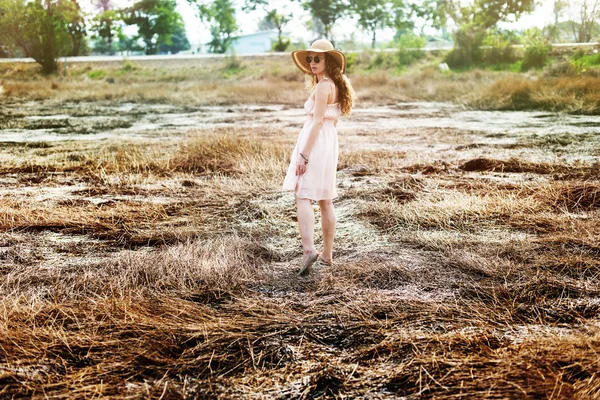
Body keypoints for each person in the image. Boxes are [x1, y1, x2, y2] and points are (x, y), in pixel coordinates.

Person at [283, 38, 355, 276]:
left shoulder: (323, 86)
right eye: (310, 59)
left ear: (328, 61)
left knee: (302, 194)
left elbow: (316, 123)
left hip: (315, 141)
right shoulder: (335, 83)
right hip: (328, 141)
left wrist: (304, 154)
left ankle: (308, 251)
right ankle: (327, 254)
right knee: (325, 198)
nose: (312, 62)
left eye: (318, 58)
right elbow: (329, 122)